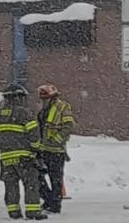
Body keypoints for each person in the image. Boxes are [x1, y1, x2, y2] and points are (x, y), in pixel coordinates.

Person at [0, 84, 45, 220]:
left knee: (11, 185)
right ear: (18, 98)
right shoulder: (25, 113)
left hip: (6, 158)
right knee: (31, 184)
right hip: (24, 156)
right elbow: (34, 135)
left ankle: (13, 211)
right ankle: (33, 211)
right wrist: (36, 148)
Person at [36, 84, 74, 214]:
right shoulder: (43, 111)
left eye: (46, 98)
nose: (44, 101)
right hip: (43, 149)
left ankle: (55, 205)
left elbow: (69, 126)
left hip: (56, 151)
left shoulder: (63, 107)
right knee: (36, 176)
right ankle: (49, 200)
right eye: (42, 99)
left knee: (55, 179)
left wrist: (57, 139)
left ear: (53, 97)